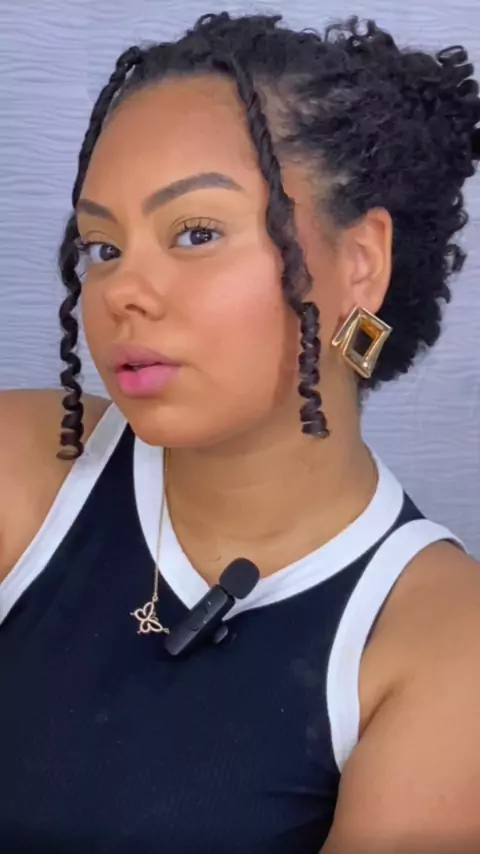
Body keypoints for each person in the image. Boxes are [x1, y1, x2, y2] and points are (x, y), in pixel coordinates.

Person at [1, 11, 479, 854]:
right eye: (102, 246)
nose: (121, 292)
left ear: (360, 262)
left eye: (196, 233)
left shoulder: (441, 647)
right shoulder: (22, 473)